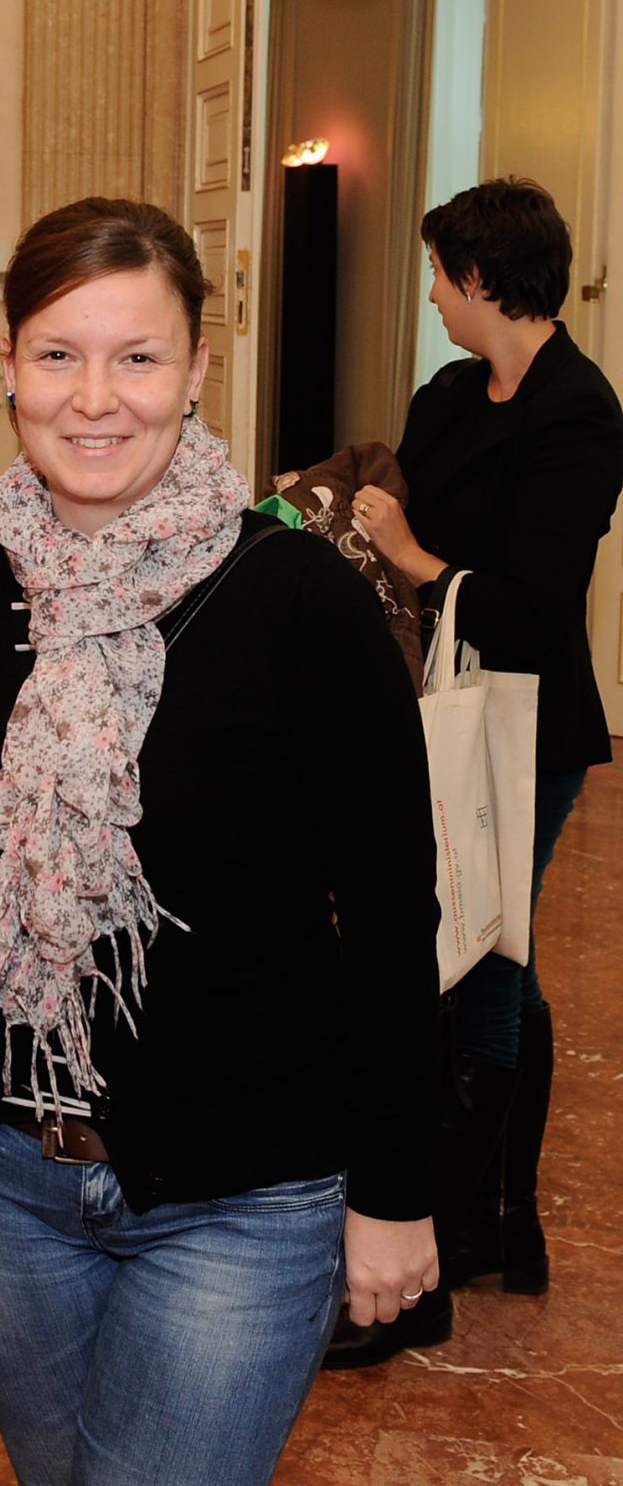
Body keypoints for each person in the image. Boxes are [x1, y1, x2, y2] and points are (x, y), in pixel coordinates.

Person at [0, 198, 442, 1485]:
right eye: (57, 354)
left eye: (138, 357)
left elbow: (391, 915)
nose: (95, 397)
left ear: (198, 369)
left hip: (242, 1198)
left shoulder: (298, 600)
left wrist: (393, 1188)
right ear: (7, 365)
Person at [328, 177, 623, 1365]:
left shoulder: (578, 413)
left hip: (524, 727)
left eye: (441, 276)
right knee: (494, 947)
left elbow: (536, 609)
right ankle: (497, 1221)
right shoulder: (447, 394)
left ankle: (440, 1250)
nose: (431, 297)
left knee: (479, 963)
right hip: (436, 714)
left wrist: (413, 559)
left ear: (484, 279)